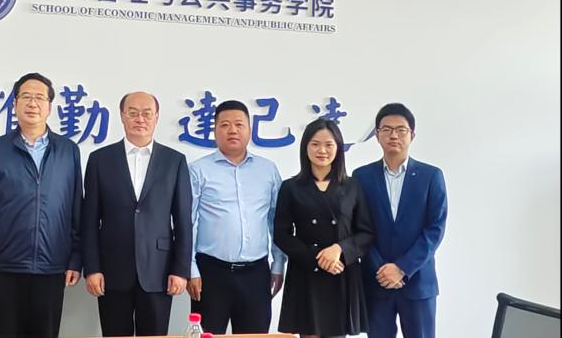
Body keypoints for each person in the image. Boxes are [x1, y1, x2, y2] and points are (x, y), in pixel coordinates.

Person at [0, 72, 83, 338]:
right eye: (26, 97)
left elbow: (76, 208)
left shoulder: (68, 150)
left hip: (52, 265)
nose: (33, 104)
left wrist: (75, 259)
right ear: (15, 104)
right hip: (4, 265)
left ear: (50, 106)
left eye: (39, 98)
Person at [82, 91, 192, 336]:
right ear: (122, 116)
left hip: (159, 270)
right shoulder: (100, 159)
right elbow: (89, 220)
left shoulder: (174, 161)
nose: (140, 119)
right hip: (111, 270)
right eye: (132, 113)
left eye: (146, 113)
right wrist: (92, 268)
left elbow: (183, 220)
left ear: (156, 117)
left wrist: (180, 269)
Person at [187, 100, 286, 334]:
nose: (232, 130)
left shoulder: (268, 170)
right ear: (214, 131)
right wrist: (191, 269)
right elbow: (186, 222)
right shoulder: (198, 170)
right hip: (211, 272)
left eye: (239, 124)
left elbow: (277, 221)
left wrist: (278, 264)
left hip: (256, 273)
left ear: (250, 130)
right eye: (225, 125)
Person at [353, 103, 447, 338]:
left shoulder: (431, 176)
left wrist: (403, 268)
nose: (393, 135)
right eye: (386, 129)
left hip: (418, 282)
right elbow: (358, 227)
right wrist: (382, 270)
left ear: (412, 135)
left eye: (400, 130)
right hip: (377, 281)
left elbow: (435, 229)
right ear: (377, 135)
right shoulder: (362, 177)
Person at [275, 118, 375, 337]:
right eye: (315, 144)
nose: (322, 150)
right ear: (305, 147)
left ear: (338, 148)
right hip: (306, 272)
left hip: (341, 272)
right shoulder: (290, 187)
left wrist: (339, 250)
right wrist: (317, 257)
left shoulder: (352, 185)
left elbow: (366, 233)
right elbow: (281, 235)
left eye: (329, 145)